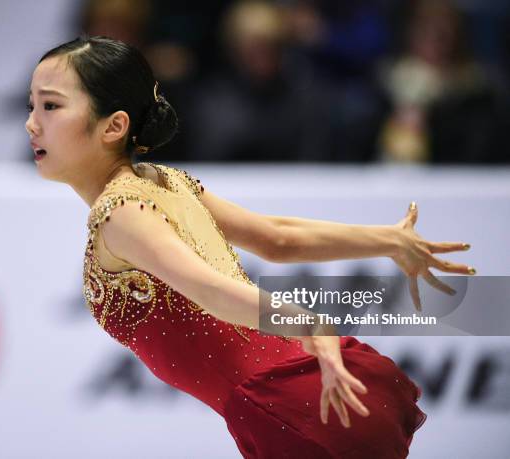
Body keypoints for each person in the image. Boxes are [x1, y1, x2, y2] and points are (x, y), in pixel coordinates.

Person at [25, 35, 475, 458]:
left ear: (114, 125)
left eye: (50, 106)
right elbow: (275, 238)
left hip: (289, 406)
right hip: (311, 383)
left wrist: (309, 324)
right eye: (32, 106)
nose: (32, 123)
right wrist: (388, 240)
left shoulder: (120, 211)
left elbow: (209, 290)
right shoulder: (164, 181)